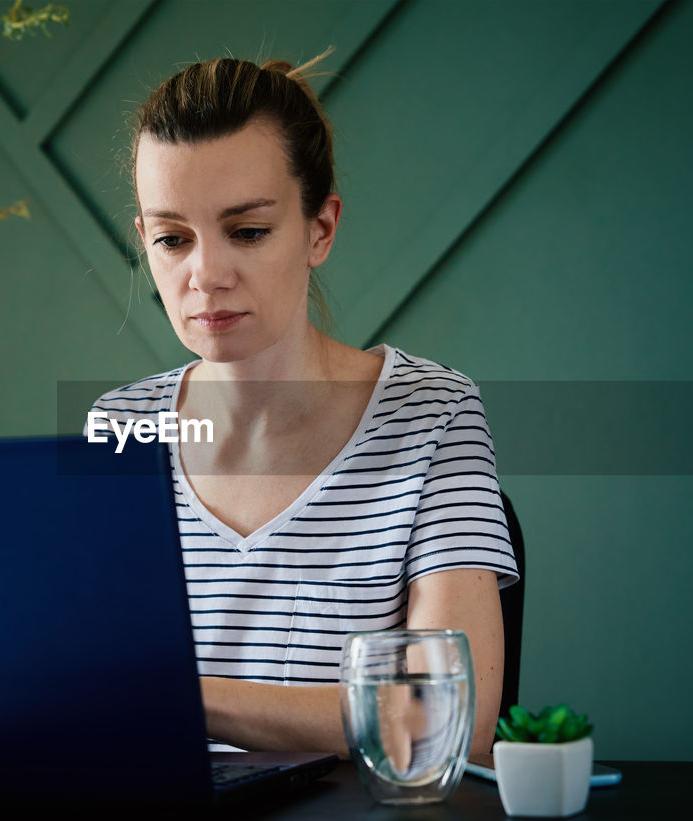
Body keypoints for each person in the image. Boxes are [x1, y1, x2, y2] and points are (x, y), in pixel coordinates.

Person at [90, 51, 518, 761]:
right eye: (172, 239)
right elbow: (92, 702)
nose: (206, 275)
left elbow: (449, 720)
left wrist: (181, 693)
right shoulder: (123, 429)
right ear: (145, 243)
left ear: (320, 229)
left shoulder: (435, 415)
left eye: (248, 231)